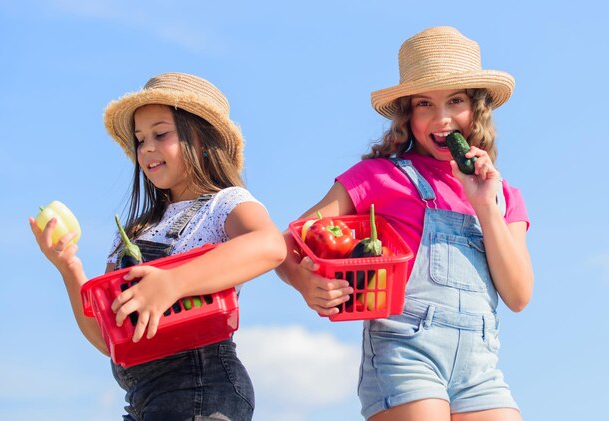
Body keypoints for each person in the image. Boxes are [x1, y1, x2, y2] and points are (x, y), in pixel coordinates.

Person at [276, 26, 533, 420]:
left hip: (480, 369)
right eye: (425, 104)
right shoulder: (378, 177)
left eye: (456, 101)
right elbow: (286, 244)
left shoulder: (503, 196)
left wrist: (484, 205)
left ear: (476, 109)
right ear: (407, 115)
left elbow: (517, 296)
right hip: (404, 354)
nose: (442, 118)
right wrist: (303, 282)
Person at [30, 72, 286, 420]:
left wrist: (172, 282)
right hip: (142, 399)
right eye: (139, 139)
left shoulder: (224, 204)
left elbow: (270, 245)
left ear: (202, 139)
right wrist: (69, 267)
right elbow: (109, 340)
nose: (146, 147)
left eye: (160, 134)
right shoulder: (135, 232)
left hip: (202, 390)